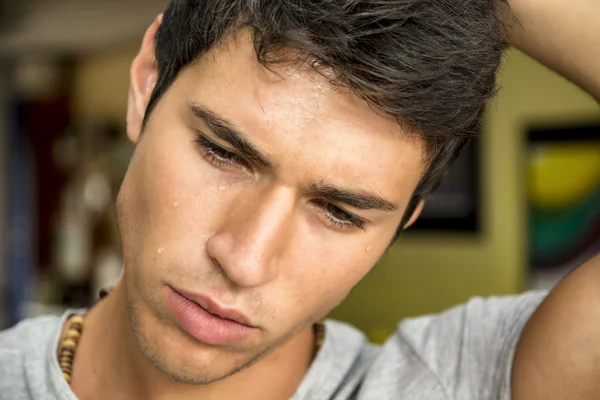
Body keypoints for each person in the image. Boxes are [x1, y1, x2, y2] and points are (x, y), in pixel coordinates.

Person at [0, 0, 598, 399]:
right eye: (223, 154)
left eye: (339, 211)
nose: (244, 259)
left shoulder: (457, 382)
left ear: (405, 219)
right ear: (146, 85)